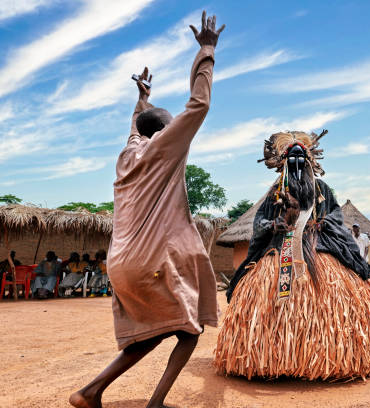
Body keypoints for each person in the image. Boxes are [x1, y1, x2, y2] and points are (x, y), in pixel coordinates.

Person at [70, 11, 224, 408]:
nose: (177, 130)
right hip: (149, 261)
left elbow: (134, 127)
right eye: (170, 125)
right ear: (164, 132)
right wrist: (206, 51)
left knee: (163, 330)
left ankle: (95, 393)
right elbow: (199, 105)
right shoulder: (163, 150)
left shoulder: (129, 153)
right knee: (187, 333)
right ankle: (139, 401)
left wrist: (142, 97)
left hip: (120, 263)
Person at [216, 130, 370, 380]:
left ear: (311, 163)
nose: (297, 165)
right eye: (292, 160)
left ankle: (327, 359)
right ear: (283, 164)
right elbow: (261, 221)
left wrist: (322, 224)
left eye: (302, 160)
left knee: (331, 298)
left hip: (320, 246)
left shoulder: (321, 188)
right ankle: (271, 358)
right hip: (279, 249)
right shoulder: (276, 191)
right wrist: (274, 225)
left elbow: (335, 215)